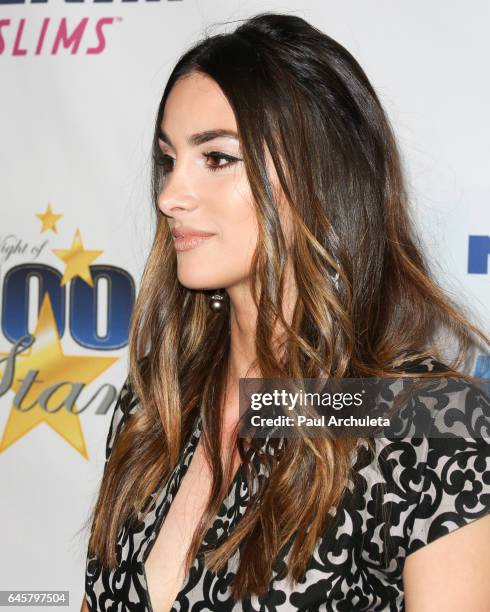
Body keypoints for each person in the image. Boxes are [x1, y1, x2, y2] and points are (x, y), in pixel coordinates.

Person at [80, 12, 490, 612]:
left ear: (315, 176)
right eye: (169, 159)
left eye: (216, 158)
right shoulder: (157, 402)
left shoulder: (427, 422)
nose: (170, 195)